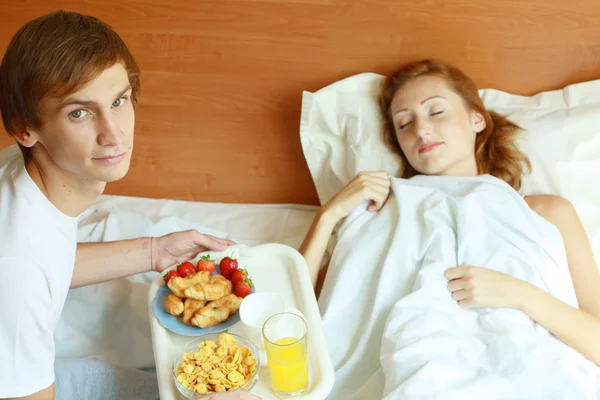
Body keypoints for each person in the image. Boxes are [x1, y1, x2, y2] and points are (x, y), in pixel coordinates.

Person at [0, 10, 261, 400]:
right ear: (25, 128)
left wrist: (154, 251)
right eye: (79, 112)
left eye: (119, 100)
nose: (114, 133)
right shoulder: (17, 272)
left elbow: (46, 261)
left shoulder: (18, 177)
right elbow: (25, 270)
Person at [299, 59, 600, 366]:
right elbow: (295, 313)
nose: (421, 130)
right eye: (404, 124)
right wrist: (329, 215)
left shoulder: (547, 213)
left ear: (477, 119)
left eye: (436, 111)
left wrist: (521, 295)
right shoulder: (379, 212)